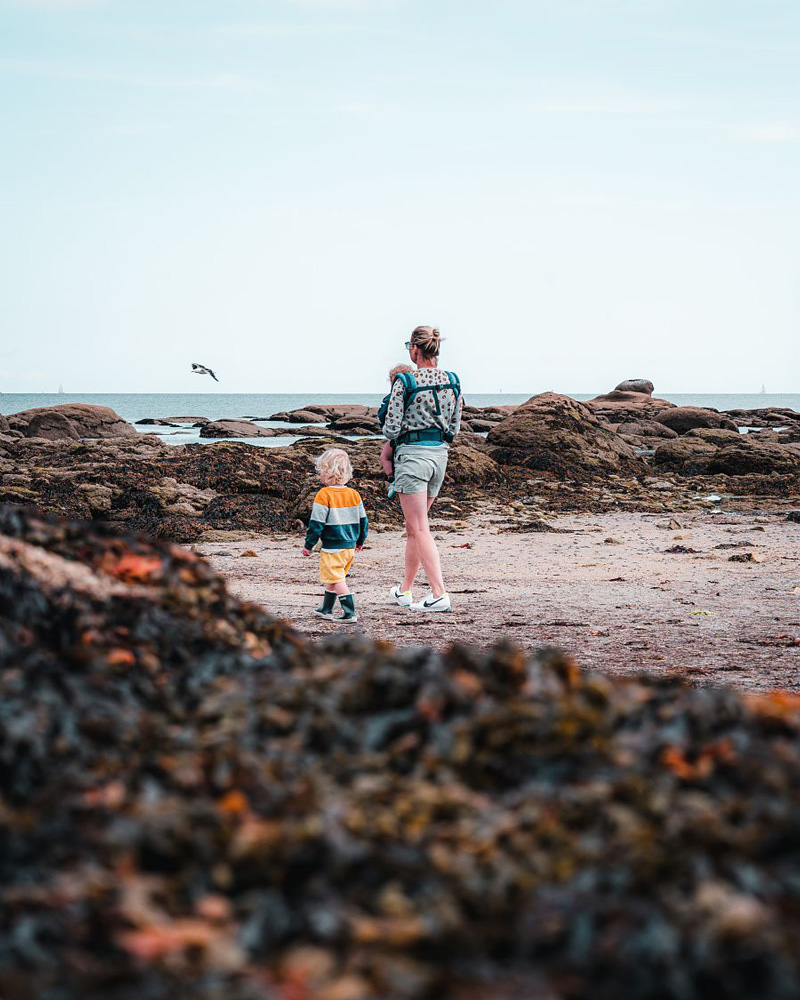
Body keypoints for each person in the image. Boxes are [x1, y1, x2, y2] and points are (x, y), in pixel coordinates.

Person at [381, 325, 462, 612]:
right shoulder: (452, 380)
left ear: (415, 349)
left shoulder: (405, 381)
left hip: (413, 457)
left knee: (419, 528)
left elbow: (391, 426)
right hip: (439, 456)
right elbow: (454, 427)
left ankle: (439, 593)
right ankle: (405, 590)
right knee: (415, 527)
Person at [302, 448, 368, 623]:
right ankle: (326, 608)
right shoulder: (354, 494)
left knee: (337, 578)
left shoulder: (324, 495)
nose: (319, 476)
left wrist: (309, 545)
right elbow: (364, 521)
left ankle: (350, 612)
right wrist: (360, 541)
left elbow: (316, 524)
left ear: (327, 472)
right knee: (335, 576)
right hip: (349, 547)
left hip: (333, 547)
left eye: (320, 472)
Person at [377, 362, 414, 498]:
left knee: (385, 457)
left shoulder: (392, 397)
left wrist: (383, 426)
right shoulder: (414, 394)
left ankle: (392, 479)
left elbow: (382, 414)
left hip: (396, 437)